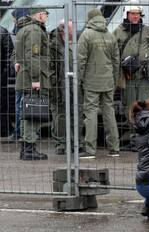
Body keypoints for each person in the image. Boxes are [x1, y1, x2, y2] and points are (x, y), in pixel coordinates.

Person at [112, 3, 149, 150]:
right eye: (132, 13)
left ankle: (146, 140)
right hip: (127, 77)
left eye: (137, 13)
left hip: (145, 76)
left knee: (146, 106)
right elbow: (113, 51)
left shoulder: (147, 31)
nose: (135, 16)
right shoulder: (118, 32)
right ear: (126, 14)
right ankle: (134, 140)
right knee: (130, 108)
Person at [78, 9, 120, 158]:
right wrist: (114, 80)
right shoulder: (110, 35)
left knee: (90, 112)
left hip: (91, 80)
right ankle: (114, 148)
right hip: (108, 79)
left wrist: (79, 79)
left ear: (90, 19)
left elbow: (81, 60)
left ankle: (90, 149)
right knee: (109, 112)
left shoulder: (86, 35)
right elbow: (116, 61)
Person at [15, 8, 50, 160]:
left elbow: (17, 53)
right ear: (40, 15)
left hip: (25, 76)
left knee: (27, 113)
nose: (47, 17)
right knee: (33, 113)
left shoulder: (24, 29)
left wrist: (16, 63)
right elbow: (33, 55)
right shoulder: (35, 30)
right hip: (33, 78)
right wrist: (36, 78)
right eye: (46, 15)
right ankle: (29, 148)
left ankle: (26, 147)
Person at [49, 19, 85, 155]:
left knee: (77, 113)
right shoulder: (52, 43)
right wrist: (54, 83)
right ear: (63, 29)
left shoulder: (77, 41)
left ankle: (77, 142)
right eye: (71, 28)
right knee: (60, 115)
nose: (74, 31)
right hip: (59, 85)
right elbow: (49, 66)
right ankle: (61, 143)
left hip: (76, 84)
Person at [6, 8, 30, 142]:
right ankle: (21, 133)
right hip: (21, 74)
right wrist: (16, 61)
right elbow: (15, 54)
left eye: (14, 19)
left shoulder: (23, 32)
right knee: (21, 104)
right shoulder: (20, 32)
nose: (13, 22)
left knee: (22, 104)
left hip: (25, 75)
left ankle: (22, 134)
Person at [0, 24, 14, 137]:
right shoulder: (3, 31)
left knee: (3, 101)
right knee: (3, 102)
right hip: (2, 73)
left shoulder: (3, 32)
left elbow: (9, 53)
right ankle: (4, 128)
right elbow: (9, 53)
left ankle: (5, 128)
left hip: (2, 73)